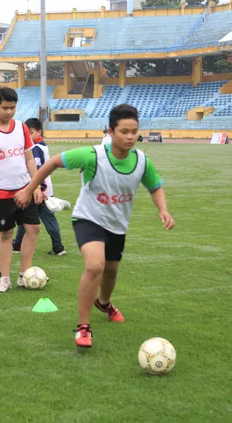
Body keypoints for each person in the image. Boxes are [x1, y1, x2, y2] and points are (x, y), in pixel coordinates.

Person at [15, 104, 175, 348]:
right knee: (94, 266)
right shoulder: (93, 155)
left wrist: (163, 209)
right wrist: (29, 189)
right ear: (110, 131)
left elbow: (155, 187)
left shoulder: (142, 161)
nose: (130, 136)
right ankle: (83, 326)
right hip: (88, 219)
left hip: (117, 226)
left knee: (110, 272)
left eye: (134, 131)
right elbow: (53, 163)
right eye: (124, 131)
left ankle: (104, 302)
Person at [0, 87, 42, 293]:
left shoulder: (22, 128)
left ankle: (24, 273)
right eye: (5, 108)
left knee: (34, 228)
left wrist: (35, 185)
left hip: (24, 189)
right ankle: (5, 278)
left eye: (13, 108)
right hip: (2, 192)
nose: (9, 112)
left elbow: (30, 159)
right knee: (6, 234)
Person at [12, 118, 66, 256]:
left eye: (31, 133)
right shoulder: (43, 145)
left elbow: (36, 170)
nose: (28, 137)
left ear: (39, 132)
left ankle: (18, 245)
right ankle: (57, 247)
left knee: (28, 217)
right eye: (26, 134)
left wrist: (39, 189)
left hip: (37, 189)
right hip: (44, 187)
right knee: (39, 218)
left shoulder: (35, 148)